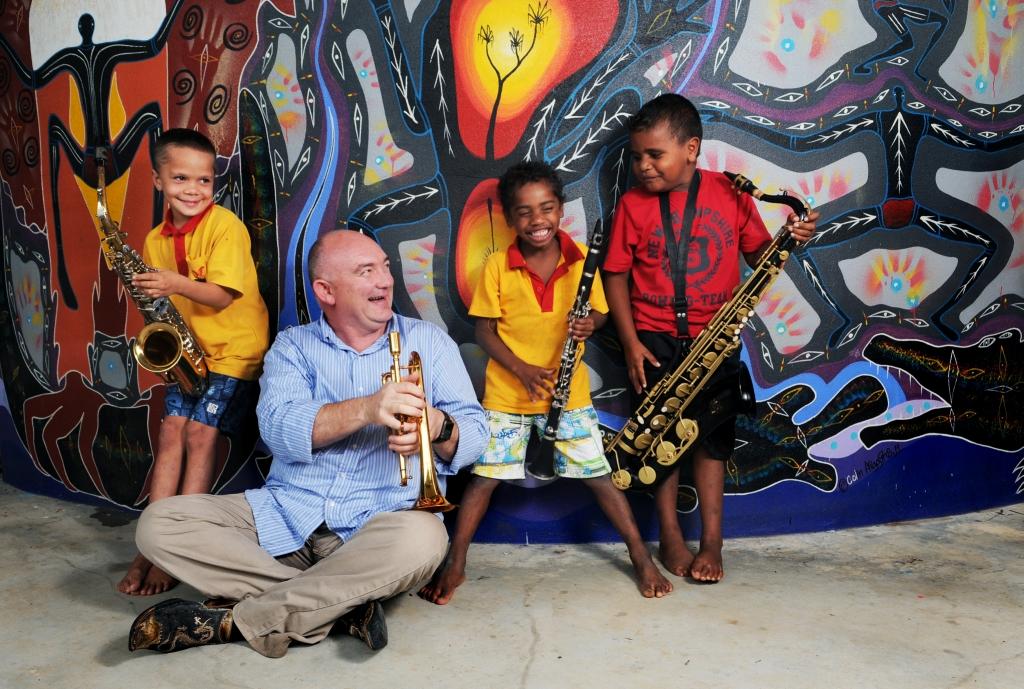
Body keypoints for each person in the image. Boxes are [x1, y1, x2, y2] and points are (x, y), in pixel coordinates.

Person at [127, 229, 488, 656]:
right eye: (366, 271)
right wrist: (367, 409)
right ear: (326, 291)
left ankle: (236, 621)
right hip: (285, 518)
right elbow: (278, 429)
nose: (385, 281)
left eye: (385, 268)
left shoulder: (428, 342)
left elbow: (476, 435)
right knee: (159, 524)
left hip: (376, 528)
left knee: (425, 539)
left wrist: (438, 427)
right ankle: (342, 604)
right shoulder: (293, 347)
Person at [418, 162, 672, 606]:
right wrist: (521, 369)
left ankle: (639, 554)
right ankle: (456, 560)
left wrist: (589, 324)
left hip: (567, 396)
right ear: (509, 218)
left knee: (599, 476)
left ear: (560, 210)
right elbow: (483, 331)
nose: (538, 220)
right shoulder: (497, 266)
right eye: (525, 212)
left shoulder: (580, 263)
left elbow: (602, 312)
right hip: (507, 395)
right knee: (483, 480)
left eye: (547, 208)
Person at [602, 94, 819, 583]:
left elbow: (761, 253)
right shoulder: (632, 205)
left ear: (692, 149)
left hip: (715, 342)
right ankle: (670, 536)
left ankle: (713, 543)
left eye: (654, 155)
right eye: (637, 156)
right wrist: (631, 341)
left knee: (712, 445)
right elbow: (614, 275)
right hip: (654, 342)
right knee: (661, 442)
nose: (643, 166)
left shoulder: (730, 192)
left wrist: (792, 237)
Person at [117, 129, 270, 596]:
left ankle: (180, 549)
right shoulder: (153, 239)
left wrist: (171, 284)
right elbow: (164, 303)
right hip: (191, 353)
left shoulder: (225, 226)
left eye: (204, 180)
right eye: (180, 177)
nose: (193, 189)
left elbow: (222, 296)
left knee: (200, 435)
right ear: (158, 180)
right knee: (169, 434)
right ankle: (150, 546)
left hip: (235, 350)